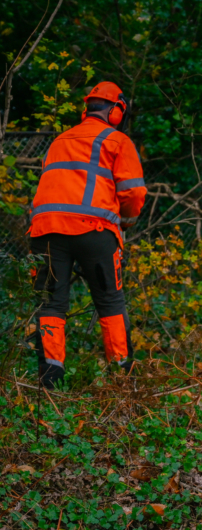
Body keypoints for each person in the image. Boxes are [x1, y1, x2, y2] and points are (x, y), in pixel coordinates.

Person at [29, 81, 146, 389]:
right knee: (110, 301)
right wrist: (128, 220)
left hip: (46, 231)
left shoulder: (58, 142)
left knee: (51, 304)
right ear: (116, 111)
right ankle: (121, 377)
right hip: (94, 230)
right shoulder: (117, 140)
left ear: (87, 109)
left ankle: (50, 382)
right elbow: (133, 192)